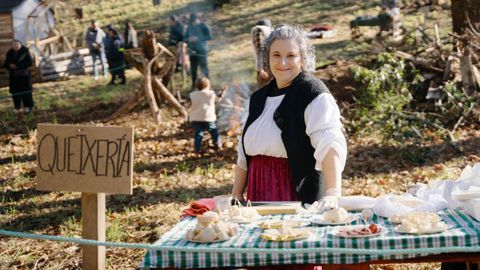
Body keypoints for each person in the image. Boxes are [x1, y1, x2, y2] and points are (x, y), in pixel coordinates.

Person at [232, 24, 347, 211]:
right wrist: (236, 193)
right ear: (267, 59)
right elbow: (244, 153)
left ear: (303, 59)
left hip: (293, 192)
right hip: (258, 190)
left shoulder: (312, 93)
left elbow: (330, 143)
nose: (282, 62)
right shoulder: (259, 98)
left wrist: (333, 193)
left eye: (291, 55)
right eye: (276, 55)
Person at [188, 77, 225, 154]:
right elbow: (217, 100)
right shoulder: (210, 94)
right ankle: (218, 144)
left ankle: (197, 149)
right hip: (208, 118)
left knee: (198, 134)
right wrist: (222, 94)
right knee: (214, 132)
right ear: (207, 86)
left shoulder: (193, 95)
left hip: (196, 119)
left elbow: (190, 105)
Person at [3, 40, 34, 113]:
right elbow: (5, 64)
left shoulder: (25, 52)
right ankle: (17, 107)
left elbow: (29, 63)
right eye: (14, 45)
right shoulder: (9, 53)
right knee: (15, 93)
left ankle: (28, 107)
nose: (15, 46)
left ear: (20, 45)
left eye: (17, 44)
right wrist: (9, 65)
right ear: (12, 46)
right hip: (14, 77)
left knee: (26, 92)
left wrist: (18, 66)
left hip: (24, 76)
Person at [185, 13, 212, 89]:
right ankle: (194, 85)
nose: (194, 23)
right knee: (193, 69)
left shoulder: (204, 26)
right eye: (192, 22)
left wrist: (198, 38)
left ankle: (207, 85)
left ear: (198, 19)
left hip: (202, 50)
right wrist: (188, 39)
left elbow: (209, 36)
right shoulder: (189, 27)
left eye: (195, 21)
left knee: (204, 68)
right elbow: (184, 37)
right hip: (192, 50)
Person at [251, 18, 273, 88]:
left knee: (263, 93)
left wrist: (261, 69)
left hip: (265, 69)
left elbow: (260, 50)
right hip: (271, 68)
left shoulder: (258, 30)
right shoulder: (270, 32)